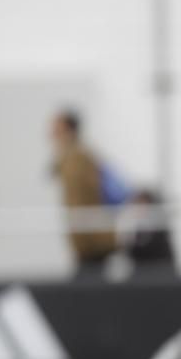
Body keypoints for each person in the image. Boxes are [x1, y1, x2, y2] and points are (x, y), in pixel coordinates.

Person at [49, 109, 117, 277]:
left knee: (89, 281)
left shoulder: (79, 158)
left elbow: (86, 196)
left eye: (57, 128)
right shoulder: (71, 157)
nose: (52, 134)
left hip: (92, 237)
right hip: (84, 237)